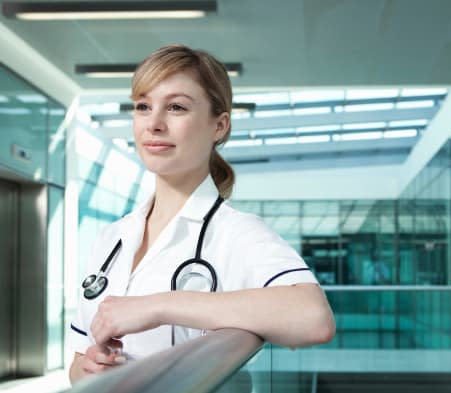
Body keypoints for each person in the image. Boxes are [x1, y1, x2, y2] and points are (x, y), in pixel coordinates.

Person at [68, 44, 335, 383]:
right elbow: (77, 365)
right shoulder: (111, 239)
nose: (154, 124)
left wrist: (158, 305)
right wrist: (91, 368)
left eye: (176, 107)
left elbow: (313, 318)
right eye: (143, 106)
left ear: (219, 125)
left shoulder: (235, 232)